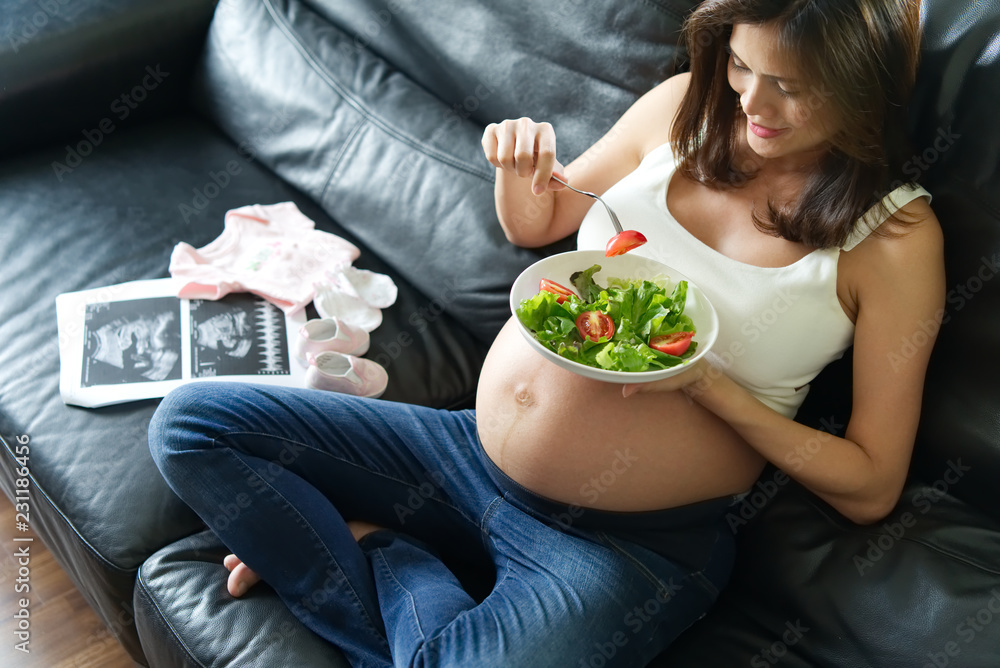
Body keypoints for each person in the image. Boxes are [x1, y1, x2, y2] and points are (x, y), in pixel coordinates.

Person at [148, 0, 944, 666]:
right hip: (463, 454)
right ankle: (385, 540)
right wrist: (517, 174)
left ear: (864, 87)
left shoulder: (894, 240)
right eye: (743, 66)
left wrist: (710, 387)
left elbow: (872, 484)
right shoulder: (680, 108)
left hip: (626, 543)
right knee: (191, 426)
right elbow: (547, 221)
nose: (755, 107)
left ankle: (384, 549)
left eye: (792, 88)